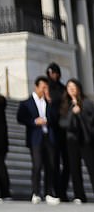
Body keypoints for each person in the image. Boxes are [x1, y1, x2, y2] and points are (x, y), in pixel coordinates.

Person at [17, 76, 60, 205]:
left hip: (49, 136)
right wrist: (34, 121)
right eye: (43, 87)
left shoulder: (49, 102)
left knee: (51, 165)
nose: (45, 89)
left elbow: (55, 117)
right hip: (35, 137)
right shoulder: (26, 103)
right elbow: (20, 117)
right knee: (37, 164)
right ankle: (36, 192)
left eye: (46, 87)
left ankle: (48, 192)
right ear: (36, 87)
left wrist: (49, 103)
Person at [59, 78, 94, 204]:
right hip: (72, 140)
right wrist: (73, 113)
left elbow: (92, 120)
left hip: (86, 140)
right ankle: (79, 195)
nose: (71, 90)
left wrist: (81, 112)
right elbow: (63, 123)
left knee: (91, 167)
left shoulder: (87, 103)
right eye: (69, 88)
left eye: (73, 87)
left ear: (78, 88)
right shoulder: (65, 105)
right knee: (74, 168)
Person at [46, 62, 70, 200]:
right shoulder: (47, 88)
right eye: (50, 73)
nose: (52, 75)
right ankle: (57, 190)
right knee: (54, 162)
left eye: (54, 72)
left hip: (63, 129)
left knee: (67, 163)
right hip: (51, 129)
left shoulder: (63, 89)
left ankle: (63, 189)